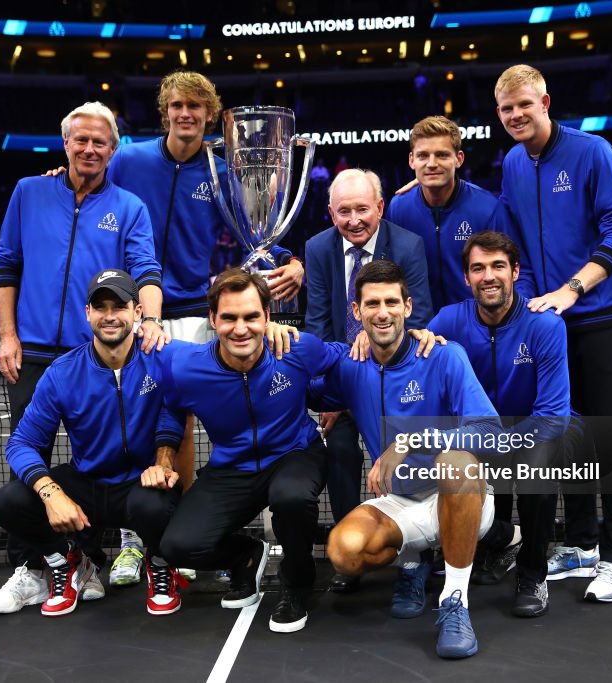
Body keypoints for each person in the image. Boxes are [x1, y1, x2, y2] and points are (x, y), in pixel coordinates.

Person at [103, 72, 305, 585]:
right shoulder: (129, 158)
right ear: (164, 110)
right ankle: (132, 538)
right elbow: (94, 187)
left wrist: (291, 261)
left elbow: (251, 229)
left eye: (196, 106)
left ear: (210, 114)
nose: (185, 113)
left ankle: (179, 527)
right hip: (133, 306)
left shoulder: (220, 170)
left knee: (182, 419)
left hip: (194, 308)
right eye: (176, 105)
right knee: (134, 414)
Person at [0, 101, 165, 611]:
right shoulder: (28, 192)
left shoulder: (129, 207)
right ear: (65, 143)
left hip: (101, 353)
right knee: (31, 467)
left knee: (101, 464)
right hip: (36, 353)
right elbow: (6, 267)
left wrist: (148, 321)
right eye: (80, 140)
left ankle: (87, 559)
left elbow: (146, 272)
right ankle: (33, 569)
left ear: (113, 149)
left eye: (100, 142)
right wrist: (8, 334)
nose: (89, 149)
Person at [317, 259, 517, 658]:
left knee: (458, 463)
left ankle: (454, 601)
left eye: (392, 302)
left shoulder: (445, 356)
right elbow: (298, 380)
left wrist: (412, 440)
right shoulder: (350, 366)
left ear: (408, 307)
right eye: (372, 304)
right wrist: (272, 335)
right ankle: (414, 560)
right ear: (357, 313)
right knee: (343, 552)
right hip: (398, 503)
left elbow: (492, 433)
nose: (383, 312)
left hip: (461, 494)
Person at [495, 64, 612, 602]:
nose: (515, 116)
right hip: (549, 324)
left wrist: (572, 290)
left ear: (545, 102)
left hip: (598, 315)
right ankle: (581, 544)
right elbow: (518, 244)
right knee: (567, 436)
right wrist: (535, 298)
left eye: (524, 106)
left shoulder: (593, 152)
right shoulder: (512, 162)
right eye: (506, 109)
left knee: (610, 437)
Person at [157, 268, 343, 634]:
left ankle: (297, 582)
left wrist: (336, 398)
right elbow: (171, 407)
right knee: (178, 546)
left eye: (251, 316)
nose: (240, 328)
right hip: (232, 467)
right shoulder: (185, 367)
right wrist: (164, 454)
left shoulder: (295, 347)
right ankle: (246, 555)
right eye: (229, 317)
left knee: (290, 498)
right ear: (212, 319)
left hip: (295, 453)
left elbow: (342, 359)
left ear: (267, 317)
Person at [0, 269, 184, 618]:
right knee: (10, 501)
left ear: (138, 312)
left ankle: (159, 565)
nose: (110, 316)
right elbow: (20, 443)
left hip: (140, 484)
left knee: (154, 505)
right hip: (88, 486)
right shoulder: (63, 372)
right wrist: (52, 493)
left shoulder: (162, 357)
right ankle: (69, 560)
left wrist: (164, 461)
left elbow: (218, 360)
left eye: (119, 306)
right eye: (100, 307)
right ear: (88, 313)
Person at [427, 231, 573, 617]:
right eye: (478, 268)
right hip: (478, 435)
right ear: (466, 277)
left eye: (497, 266)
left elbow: (553, 414)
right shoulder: (448, 321)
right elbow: (413, 357)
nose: (488, 276)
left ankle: (532, 573)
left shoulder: (545, 325)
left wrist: (504, 444)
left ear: (515, 272)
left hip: (533, 433)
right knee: (438, 463)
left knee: (538, 469)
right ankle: (497, 543)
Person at [303, 168, 433, 593]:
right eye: (344, 211)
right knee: (339, 449)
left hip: (398, 377)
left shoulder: (409, 246)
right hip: (344, 374)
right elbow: (318, 323)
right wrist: (337, 386)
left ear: (379, 207)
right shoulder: (318, 248)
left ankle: (416, 553)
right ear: (330, 213)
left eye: (362, 209)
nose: (354, 220)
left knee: (408, 453)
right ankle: (350, 554)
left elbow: (421, 318)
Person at [387, 116, 517, 310]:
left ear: (459, 159)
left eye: (442, 155)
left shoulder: (487, 208)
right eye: (423, 156)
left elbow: (512, 274)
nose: (431, 163)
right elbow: (392, 272)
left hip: (476, 326)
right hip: (419, 328)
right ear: (412, 160)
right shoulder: (399, 208)